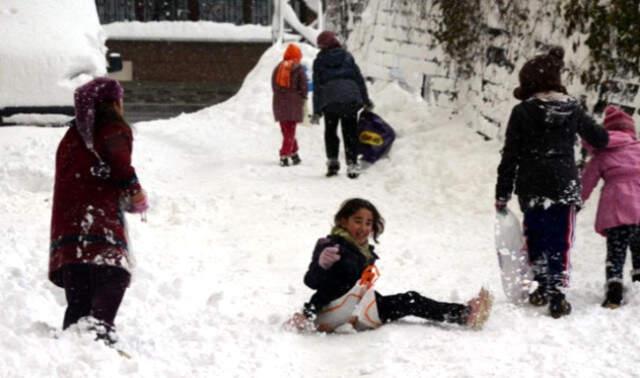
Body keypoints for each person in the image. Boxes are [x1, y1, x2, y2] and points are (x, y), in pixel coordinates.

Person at [495, 47, 609, 318]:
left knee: (535, 235)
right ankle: (557, 293)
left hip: (531, 185)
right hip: (563, 184)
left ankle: (540, 287)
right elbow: (600, 138)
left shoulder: (522, 112)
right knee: (560, 239)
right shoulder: (572, 109)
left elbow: (510, 155)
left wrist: (502, 193)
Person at [288, 198, 493, 332]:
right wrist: (321, 265)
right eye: (357, 221)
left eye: (368, 223)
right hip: (332, 309)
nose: (363, 227)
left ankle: (463, 314)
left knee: (407, 300)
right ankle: (465, 315)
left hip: (355, 307)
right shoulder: (330, 246)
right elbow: (312, 282)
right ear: (343, 221)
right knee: (411, 300)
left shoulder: (363, 251)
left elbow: (356, 285)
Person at [49, 77, 148, 344]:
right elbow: (120, 165)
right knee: (113, 273)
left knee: (79, 298)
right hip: (98, 221)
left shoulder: (71, 137)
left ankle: (73, 350)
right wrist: (135, 192)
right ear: (113, 102)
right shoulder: (112, 128)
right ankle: (98, 333)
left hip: (69, 229)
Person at [581, 105, 640, 308]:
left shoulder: (602, 154)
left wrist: (577, 201)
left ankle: (614, 291)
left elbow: (587, 181)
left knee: (616, 252)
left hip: (616, 210)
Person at [311, 31, 373, 179]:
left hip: (330, 100)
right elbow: (359, 80)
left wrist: (317, 111)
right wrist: (365, 100)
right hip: (350, 99)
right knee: (350, 131)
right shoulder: (347, 57)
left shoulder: (319, 61)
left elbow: (317, 87)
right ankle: (352, 164)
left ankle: (333, 162)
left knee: (331, 131)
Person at [272, 43, 308, 167]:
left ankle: (294, 153)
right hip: (293, 103)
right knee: (290, 131)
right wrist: (302, 97)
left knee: (286, 130)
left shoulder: (278, 67)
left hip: (279, 102)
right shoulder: (298, 68)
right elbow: (303, 86)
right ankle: (284, 155)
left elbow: (274, 85)